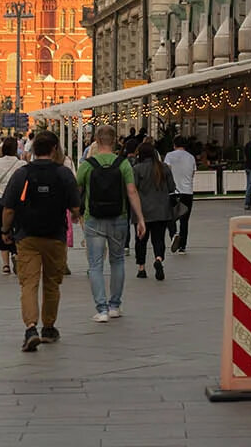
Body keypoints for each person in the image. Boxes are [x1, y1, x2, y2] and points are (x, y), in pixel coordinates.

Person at [1, 131, 82, 351]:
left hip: (27, 236)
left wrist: (5, 230)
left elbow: (8, 209)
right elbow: (75, 208)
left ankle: (30, 328)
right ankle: (48, 328)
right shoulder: (64, 174)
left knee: (28, 284)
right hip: (55, 236)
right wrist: (73, 214)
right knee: (52, 283)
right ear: (55, 149)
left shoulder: (22, 173)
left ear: (34, 149)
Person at [77, 128, 147, 322]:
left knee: (96, 264)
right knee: (117, 261)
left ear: (96, 140)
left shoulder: (87, 165)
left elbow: (77, 189)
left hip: (94, 219)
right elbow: (132, 192)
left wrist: (75, 212)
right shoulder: (123, 164)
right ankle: (115, 305)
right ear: (115, 141)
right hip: (119, 218)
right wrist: (140, 218)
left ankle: (102, 309)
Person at [132, 140, 172, 280]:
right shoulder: (164, 168)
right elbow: (172, 188)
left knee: (141, 240)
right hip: (161, 210)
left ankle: (141, 268)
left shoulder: (137, 169)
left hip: (142, 211)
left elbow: (133, 190)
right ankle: (158, 259)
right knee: (159, 238)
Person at [0, 136, 23, 275]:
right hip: (16, 201)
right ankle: (15, 253)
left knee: (1, 228)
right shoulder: (21, 164)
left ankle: (5, 265)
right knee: (17, 228)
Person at [163, 136, 196, 254]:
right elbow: (193, 173)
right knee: (184, 220)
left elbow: (166, 171)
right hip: (187, 192)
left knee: (170, 217)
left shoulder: (169, 156)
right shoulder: (191, 157)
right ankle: (182, 246)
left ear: (174, 144)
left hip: (173, 191)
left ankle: (174, 235)